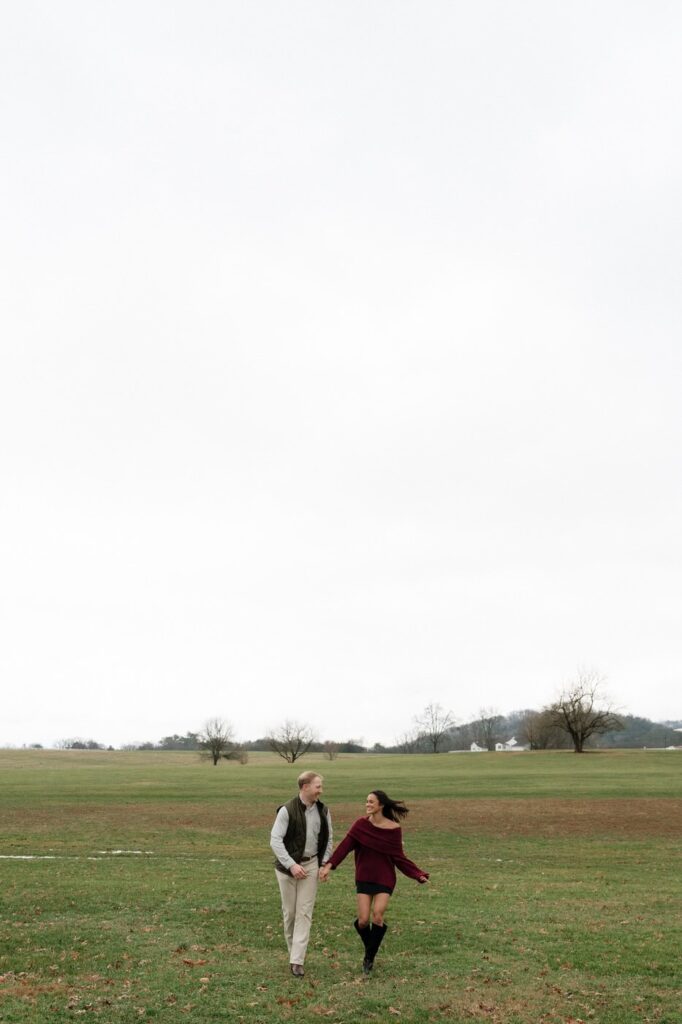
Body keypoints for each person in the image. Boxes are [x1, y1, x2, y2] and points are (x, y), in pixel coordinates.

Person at [319, 789, 428, 974]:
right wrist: (329, 865)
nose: (367, 804)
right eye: (366, 801)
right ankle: (371, 950)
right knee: (362, 921)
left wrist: (417, 874)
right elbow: (345, 847)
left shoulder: (394, 829)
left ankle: (369, 958)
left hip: (385, 878)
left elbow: (399, 857)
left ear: (381, 805)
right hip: (364, 876)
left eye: (371, 802)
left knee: (377, 915)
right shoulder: (360, 825)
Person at [270, 771, 333, 978]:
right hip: (287, 870)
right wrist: (291, 865)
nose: (320, 791)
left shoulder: (323, 811)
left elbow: (329, 838)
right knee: (290, 914)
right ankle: (293, 955)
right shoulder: (287, 810)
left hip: (312, 865)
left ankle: (297, 961)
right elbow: (275, 841)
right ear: (305, 787)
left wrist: (324, 864)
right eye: (317, 786)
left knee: (304, 913)